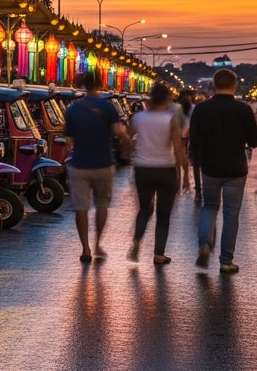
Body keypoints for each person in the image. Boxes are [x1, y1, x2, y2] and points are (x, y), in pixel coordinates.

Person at [189, 69, 257, 273]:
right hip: (236, 168)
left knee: (209, 206)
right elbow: (255, 141)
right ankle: (226, 260)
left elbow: (194, 140)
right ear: (234, 85)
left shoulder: (201, 109)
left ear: (213, 84)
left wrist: (196, 161)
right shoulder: (243, 109)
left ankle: (204, 244)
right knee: (231, 214)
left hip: (210, 166)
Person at [63, 71, 131, 262]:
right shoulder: (108, 107)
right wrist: (126, 136)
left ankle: (85, 248)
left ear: (83, 85)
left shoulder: (72, 110)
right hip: (103, 163)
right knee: (102, 204)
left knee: (81, 208)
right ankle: (98, 242)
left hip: (79, 165)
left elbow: (69, 141)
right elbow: (117, 132)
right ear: (100, 84)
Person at [128, 85, 189, 264]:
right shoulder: (170, 119)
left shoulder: (138, 117)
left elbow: (126, 137)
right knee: (163, 214)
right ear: (168, 99)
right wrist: (185, 173)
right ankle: (158, 254)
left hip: (143, 169)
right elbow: (178, 148)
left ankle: (137, 242)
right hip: (165, 169)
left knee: (144, 209)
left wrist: (133, 150)